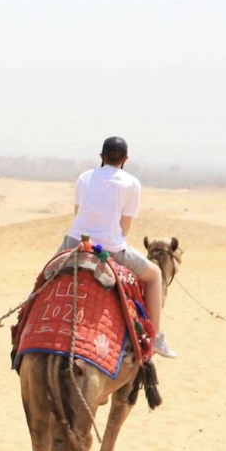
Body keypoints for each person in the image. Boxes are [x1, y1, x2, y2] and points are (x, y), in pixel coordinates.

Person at [60, 137, 176, 358]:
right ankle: (156, 339)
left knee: (48, 274)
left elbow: (78, 214)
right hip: (111, 248)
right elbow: (125, 226)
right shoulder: (132, 183)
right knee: (155, 275)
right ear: (126, 159)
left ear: (101, 156)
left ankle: (29, 315)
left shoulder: (84, 177)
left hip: (74, 242)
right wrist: (110, 238)